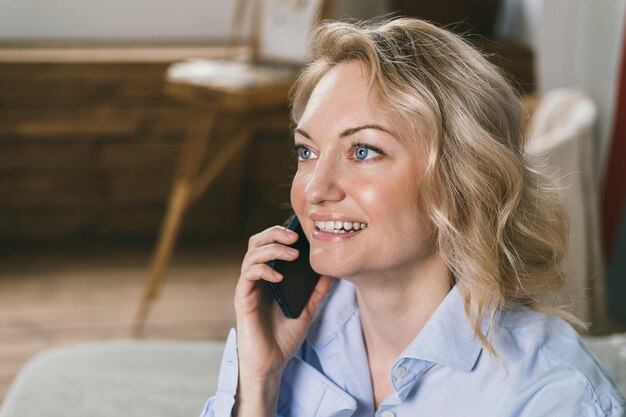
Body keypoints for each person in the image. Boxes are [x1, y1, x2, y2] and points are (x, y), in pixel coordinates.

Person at [201, 18, 626, 417]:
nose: (314, 190)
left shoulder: (551, 396)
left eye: (363, 151)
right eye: (306, 151)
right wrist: (258, 384)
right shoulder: (282, 336)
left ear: (461, 179)